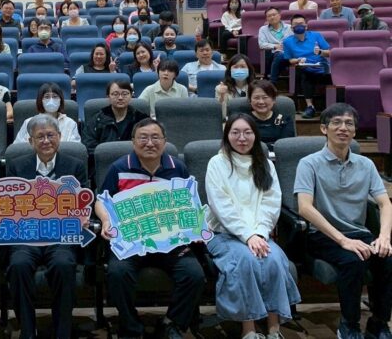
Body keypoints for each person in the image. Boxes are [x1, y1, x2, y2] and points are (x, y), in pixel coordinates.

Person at [95, 118, 206, 339]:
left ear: (164, 141)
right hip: (132, 241)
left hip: (170, 241)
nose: (149, 143)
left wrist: (196, 227)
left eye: (155, 137)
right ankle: (131, 326)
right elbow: (101, 200)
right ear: (133, 141)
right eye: (143, 138)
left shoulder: (177, 167)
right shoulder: (120, 167)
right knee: (117, 273)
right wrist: (106, 220)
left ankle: (172, 323)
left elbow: (191, 203)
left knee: (194, 275)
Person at [294, 103, 392, 339]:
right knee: (353, 260)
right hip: (323, 235)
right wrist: (342, 240)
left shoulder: (366, 164)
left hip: (359, 233)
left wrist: (384, 237)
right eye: (336, 123)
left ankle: (379, 323)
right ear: (323, 129)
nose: (343, 128)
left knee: (387, 258)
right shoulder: (309, 163)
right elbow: (304, 207)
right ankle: (349, 325)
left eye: (349, 123)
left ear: (355, 131)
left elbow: (385, 203)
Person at [205, 114, 300, 339]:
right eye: (235, 132)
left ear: (255, 136)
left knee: (274, 260)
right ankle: (249, 330)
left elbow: (271, 203)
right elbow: (221, 207)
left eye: (247, 132)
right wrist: (248, 236)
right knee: (246, 261)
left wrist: (259, 233)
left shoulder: (265, 164)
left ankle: (274, 328)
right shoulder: (217, 163)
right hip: (224, 234)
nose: (242, 138)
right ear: (227, 136)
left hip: (259, 233)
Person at [7, 114, 89, 339]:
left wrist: (83, 216)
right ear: (30, 141)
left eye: (50, 135)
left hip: (60, 237)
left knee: (63, 264)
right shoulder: (16, 166)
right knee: (18, 265)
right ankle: (27, 331)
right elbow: (7, 204)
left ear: (59, 137)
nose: (46, 141)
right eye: (40, 136)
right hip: (26, 236)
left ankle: (62, 332)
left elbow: (84, 201)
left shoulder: (75, 166)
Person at [282, 14, 331, 119]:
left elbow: (329, 53)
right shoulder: (287, 42)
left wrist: (320, 52)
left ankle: (332, 108)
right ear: (291, 27)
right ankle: (310, 107)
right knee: (305, 74)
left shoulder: (316, 35)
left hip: (322, 66)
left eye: (301, 24)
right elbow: (290, 60)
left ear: (306, 26)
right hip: (305, 68)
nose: (298, 26)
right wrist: (297, 60)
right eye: (296, 24)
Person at [82, 79, 148, 155]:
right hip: (105, 160)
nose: (120, 98)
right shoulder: (97, 120)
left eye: (125, 94)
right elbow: (89, 146)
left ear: (131, 96)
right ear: (108, 97)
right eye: (115, 94)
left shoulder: (141, 119)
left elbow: (148, 144)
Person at [13, 82, 80, 143]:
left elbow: (75, 149)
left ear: (60, 100)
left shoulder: (70, 123)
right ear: (40, 100)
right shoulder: (29, 123)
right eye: (47, 97)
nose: (51, 100)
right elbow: (18, 148)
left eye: (55, 97)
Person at [248, 80, 295, 149]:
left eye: (265, 97)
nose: (261, 102)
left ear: (274, 99)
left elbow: (286, 145)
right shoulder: (243, 120)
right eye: (256, 98)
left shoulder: (285, 119)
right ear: (250, 100)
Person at [258, 7, 293, 84]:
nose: (272, 17)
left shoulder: (289, 28)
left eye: (274, 15)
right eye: (269, 16)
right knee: (278, 54)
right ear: (266, 18)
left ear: (279, 15)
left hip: (288, 54)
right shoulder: (263, 29)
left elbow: (294, 42)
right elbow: (261, 44)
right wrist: (275, 46)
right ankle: (272, 81)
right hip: (271, 55)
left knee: (280, 55)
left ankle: (272, 81)